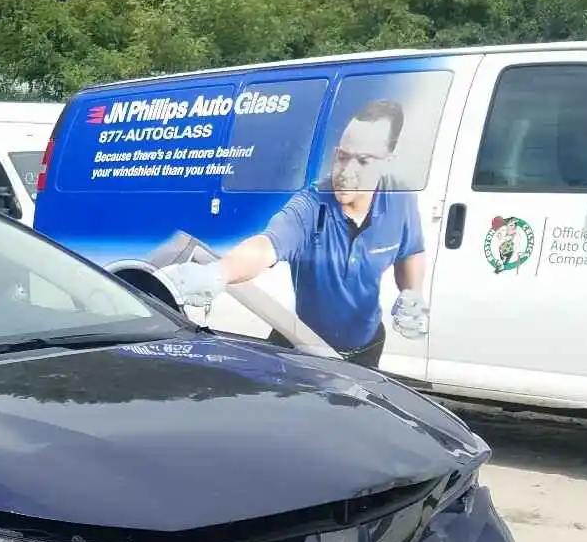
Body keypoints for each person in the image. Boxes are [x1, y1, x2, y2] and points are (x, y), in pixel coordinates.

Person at [170, 99, 429, 368]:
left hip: (367, 349)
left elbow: (411, 250)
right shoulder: (311, 203)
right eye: (341, 156)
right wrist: (219, 273)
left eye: (363, 161)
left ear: (389, 162)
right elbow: (265, 246)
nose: (345, 172)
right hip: (304, 346)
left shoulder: (400, 199)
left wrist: (413, 292)